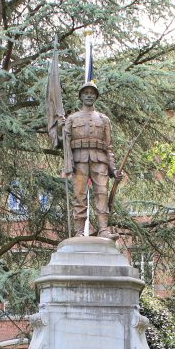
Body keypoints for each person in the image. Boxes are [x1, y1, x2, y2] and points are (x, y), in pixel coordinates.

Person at [62, 82, 121, 237]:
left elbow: (109, 147)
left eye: (92, 93)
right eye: (86, 92)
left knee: (102, 194)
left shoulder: (104, 119)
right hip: (79, 161)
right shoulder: (71, 119)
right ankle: (79, 232)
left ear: (96, 96)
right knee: (79, 195)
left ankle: (103, 230)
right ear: (81, 96)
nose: (89, 95)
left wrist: (113, 169)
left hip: (99, 160)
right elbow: (64, 144)